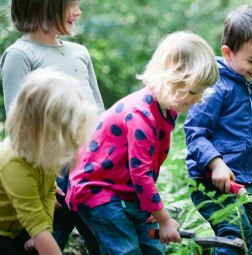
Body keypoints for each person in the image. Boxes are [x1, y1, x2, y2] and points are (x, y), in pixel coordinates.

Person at [66, 31, 219, 254]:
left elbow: (147, 164)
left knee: (152, 248)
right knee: (125, 250)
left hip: (127, 191)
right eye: (194, 91)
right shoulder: (141, 115)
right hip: (99, 191)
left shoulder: (167, 110)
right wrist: (164, 219)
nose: (199, 98)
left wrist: (151, 207)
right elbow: (141, 173)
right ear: (171, 79)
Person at [0, 0, 104, 254]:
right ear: (44, 5)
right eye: (71, 4)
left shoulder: (79, 52)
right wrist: (44, 179)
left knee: (104, 239)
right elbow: (19, 123)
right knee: (43, 243)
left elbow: (98, 111)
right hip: (50, 174)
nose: (78, 12)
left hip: (91, 168)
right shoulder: (20, 55)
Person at [184, 5, 252, 255]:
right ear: (228, 53)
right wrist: (215, 164)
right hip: (211, 181)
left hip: (244, 180)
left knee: (250, 236)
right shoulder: (213, 85)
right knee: (233, 236)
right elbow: (194, 131)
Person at [0, 68, 97, 255]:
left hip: (21, 227)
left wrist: (45, 230)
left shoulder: (43, 151)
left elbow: (49, 191)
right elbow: (34, 222)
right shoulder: (13, 162)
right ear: (47, 128)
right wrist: (39, 233)